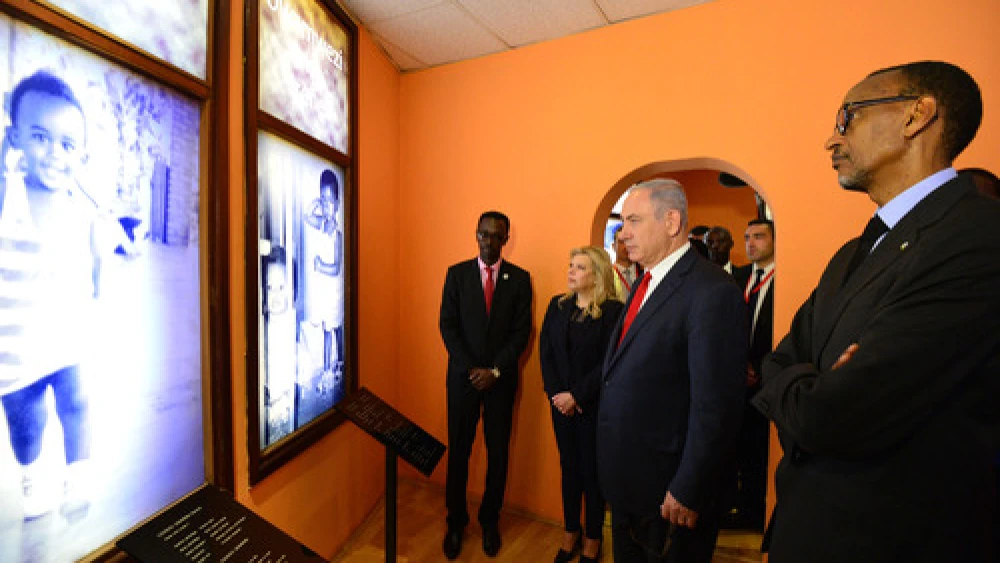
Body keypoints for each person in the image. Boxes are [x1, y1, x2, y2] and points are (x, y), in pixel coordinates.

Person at [752, 61, 1000, 562]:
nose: (832, 139)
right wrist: (811, 381)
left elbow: (836, 415)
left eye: (848, 116)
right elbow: (776, 364)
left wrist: (808, 390)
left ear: (917, 115)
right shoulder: (851, 253)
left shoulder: (980, 236)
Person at [598, 179, 748, 562]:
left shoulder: (712, 291)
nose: (622, 231)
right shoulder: (645, 281)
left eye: (633, 220)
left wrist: (688, 486)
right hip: (630, 479)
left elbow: (716, 404)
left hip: (670, 492)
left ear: (671, 221)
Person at [0, 70, 120, 521]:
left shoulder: (80, 205)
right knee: (27, 424)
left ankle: (79, 478)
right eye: (39, 137)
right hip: (14, 350)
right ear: (15, 139)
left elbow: (94, 267)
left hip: (67, 337)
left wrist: (99, 289)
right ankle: (31, 476)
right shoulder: (8, 195)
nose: (54, 154)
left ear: (81, 154)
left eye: (67, 145)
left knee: (78, 403)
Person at [439, 211, 532, 559]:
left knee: (497, 454)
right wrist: (472, 369)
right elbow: (447, 326)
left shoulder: (520, 280)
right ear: (475, 234)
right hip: (463, 381)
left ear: (506, 239)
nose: (489, 242)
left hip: (500, 382)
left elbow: (521, 332)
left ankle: (489, 520)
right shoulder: (457, 275)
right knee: (459, 452)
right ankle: (455, 522)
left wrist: (494, 370)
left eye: (497, 236)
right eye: (484, 234)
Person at [540, 246, 624, 563]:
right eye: (570, 265)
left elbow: (609, 361)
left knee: (592, 472)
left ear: (597, 275)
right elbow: (546, 354)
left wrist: (577, 395)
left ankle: (592, 538)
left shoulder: (614, 311)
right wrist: (557, 395)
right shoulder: (557, 306)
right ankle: (570, 531)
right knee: (569, 469)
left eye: (579, 267)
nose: (571, 272)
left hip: (593, 406)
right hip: (560, 405)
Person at [729, 219, 775, 531]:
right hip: (735, 378)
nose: (750, 243)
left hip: (767, 379)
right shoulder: (740, 278)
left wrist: (760, 369)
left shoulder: (782, 276)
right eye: (747, 238)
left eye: (759, 236)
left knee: (760, 449)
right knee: (738, 446)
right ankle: (739, 505)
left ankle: (756, 512)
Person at [301, 169, 344, 397]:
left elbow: (336, 267)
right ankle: (332, 366)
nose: (326, 206)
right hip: (323, 291)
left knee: (332, 329)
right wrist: (315, 203)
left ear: (337, 204)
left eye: (330, 201)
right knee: (329, 327)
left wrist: (319, 266)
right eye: (323, 200)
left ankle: (330, 369)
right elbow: (306, 216)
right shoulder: (321, 224)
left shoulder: (336, 234)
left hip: (333, 288)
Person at [611, 224, 640, 299]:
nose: (626, 246)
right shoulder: (608, 274)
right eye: (621, 242)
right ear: (613, 246)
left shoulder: (645, 272)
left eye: (629, 241)